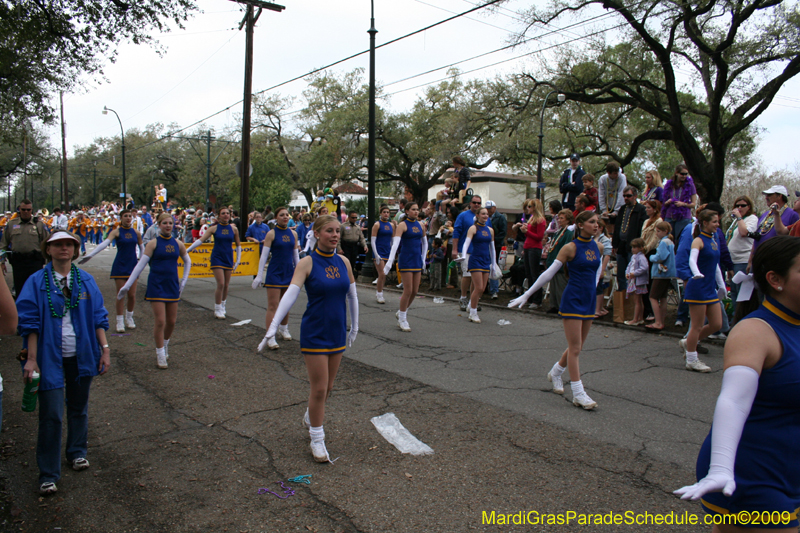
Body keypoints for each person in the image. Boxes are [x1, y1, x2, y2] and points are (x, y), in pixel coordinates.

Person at [674, 236, 800, 530]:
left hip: (790, 469)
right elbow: (734, 399)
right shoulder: (756, 331)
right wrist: (720, 467)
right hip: (750, 472)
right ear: (775, 279)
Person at [16, 230, 110, 496]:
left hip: (81, 355)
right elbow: (29, 323)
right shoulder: (36, 282)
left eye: (69, 244)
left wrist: (104, 350)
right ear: (48, 249)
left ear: (76, 250)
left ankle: (77, 452)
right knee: (51, 415)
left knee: (79, 408)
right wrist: (32, 359)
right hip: (48, 358)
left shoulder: (86, 281)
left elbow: (98, 318)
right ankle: (48, 473)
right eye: (57, 244)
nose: (64, 248)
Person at [261, 215, 358, 462]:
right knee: (319, 389)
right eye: (329, 231)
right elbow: (289, 297)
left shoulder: (344, 261)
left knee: (329, 387)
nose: (335, 235)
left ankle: (310, 416)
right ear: (316, 233)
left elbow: (352, 296)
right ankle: (317, 439)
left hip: (337, 331)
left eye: (337, 231)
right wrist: (272, 327)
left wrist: (355, 326)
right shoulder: (306, 262)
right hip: (315, 331)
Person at [510, 211, 604, 410]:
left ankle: (556, 372)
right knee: (576, 348)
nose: (596, 225)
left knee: (576, 346)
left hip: (588, 300)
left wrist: (593, 291)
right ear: (580, 224)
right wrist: (526, 295)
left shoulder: (598, 247)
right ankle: (579, 393)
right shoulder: (569, 248)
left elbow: (596, 273)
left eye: (597, 222)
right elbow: (548, 274)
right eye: (591, 222)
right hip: (572, 299)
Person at [118, 213, 191, 369]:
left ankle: (165, 345)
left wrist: (184, 280)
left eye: (170, 223)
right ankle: (159, 353)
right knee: (160, 321)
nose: (168, 225)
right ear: (158, 225)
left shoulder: (178, 243)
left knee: (171, 322)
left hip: (172, 285)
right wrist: (128, 284)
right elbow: (140, 265)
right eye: (164, 223)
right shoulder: (153, 243)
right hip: (156, 285)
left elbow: (187, 261)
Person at [78, 209, 144, 333]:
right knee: (120, 294)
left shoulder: (136, 232)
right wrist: (91, 255)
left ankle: (129, 318)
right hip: (120, 265)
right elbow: (104, 244)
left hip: (133, 265)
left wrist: (143, 261)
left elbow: (142, 248)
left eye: (130, 216)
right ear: (121, 218)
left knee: (132, 295)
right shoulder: (116, 232)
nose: (128, 218)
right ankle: (119, 320)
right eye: (125, 216)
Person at [680, 209, 726, 372]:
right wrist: (696, 273)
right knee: (697, 326)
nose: (717, 224)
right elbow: (692, 260)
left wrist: (721, 285)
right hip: (697, 287)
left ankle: (688, 342)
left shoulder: (713, 240)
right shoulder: (698, 240)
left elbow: (716, 266)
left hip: (709, 288)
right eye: (714, 221)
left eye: (717, 221)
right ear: (705, 223)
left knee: (716, 324)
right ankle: (692, 359)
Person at [253, 207, 300, 350]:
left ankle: (284, 328)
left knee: (286, 304)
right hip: (275, 272)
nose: (285, 217)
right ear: (277, 218)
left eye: (287, 215)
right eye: (282, 215)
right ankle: (270, 335)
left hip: (289, 272)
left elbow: (296, 256)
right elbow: (264, 256)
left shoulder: (293, 234)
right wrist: (259, 275)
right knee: (273, 305)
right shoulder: (271, 234)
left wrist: (299, 274)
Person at [186, 207, 241, 319]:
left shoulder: (234, 229)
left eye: (227, 213)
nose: (226, 215)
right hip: (217, 258)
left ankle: (223, 306)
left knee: (226, 285)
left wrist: (238, 260)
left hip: (228, 258)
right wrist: (186, 250)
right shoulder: (213, 228)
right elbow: (200, 241)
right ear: (219, 216)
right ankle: (217, 308)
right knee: (220, 283)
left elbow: (238, 245)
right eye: (223, 213)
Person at [384, 202, 427, 332]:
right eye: (413, 209)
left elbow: (425, 243)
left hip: (416, 260)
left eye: (417, 210)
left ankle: (402, 311)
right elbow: (395, 244)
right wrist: (390, 261)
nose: (416, 212)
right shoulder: (402, 225)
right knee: (407, 290)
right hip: (406, 260)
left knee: (415, 291)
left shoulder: (421, 225)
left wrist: (423, 259)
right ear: (407, 211)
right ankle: (402, 318)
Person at [459, 208, 501, 323]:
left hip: (486, 261)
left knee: (481, 289)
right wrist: (463, 256)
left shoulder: (490, 230)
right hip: (475, 260)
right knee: (479, 287)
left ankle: (470, 305)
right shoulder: (473, 228)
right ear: (477, 215)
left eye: (487, 214)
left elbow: (492, 248)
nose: (485, 216)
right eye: (483, 214)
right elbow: (466, 243)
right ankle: (473, 313)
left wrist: (493, 263)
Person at [0, 200, 49, 297]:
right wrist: (1, 262)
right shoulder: (11, 224)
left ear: (31, 210)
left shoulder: (39, 225)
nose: (26, 212)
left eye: (28, 210)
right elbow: (3, 245)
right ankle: (21, 311)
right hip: (18, 262)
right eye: (23, 209)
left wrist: (50, 262)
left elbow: (47, 243)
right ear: (19, 210)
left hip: (35, 261)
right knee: (20, 290)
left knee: (36, 290)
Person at [452, 195, 491, 312]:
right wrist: (455, 249)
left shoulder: (486, 218)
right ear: (470, 203)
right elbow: (456, 232)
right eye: (474, 202)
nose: (477, 205)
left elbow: (488, 235)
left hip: (479, 252)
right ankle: (463, 297)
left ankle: (473, 301)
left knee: (476, 279)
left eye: (479, 203)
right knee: (467, 275)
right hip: (466, 251)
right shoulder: (463, 216)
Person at [612, 186, 647, 292]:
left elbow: (641, 228)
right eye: (624, 196)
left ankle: (632, 296)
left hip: (633, 246)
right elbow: (617, 226)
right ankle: (623, 298)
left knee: (632, 272)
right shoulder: (622, 209)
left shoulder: (641, 209)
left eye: (629, 196)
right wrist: (615, 244)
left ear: (635, 196)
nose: (626, 198)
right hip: (621, 245)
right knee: (621, 273)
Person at [726, 196, 758, 311]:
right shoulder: (736, 221)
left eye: (743, 205)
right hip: (732, 261)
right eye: (737, 205)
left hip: (743, 261)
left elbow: (744, 232)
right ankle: (735, 319)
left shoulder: (751, 219)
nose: (739, 208)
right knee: (733, 292)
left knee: (742, 295)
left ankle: (742, 319)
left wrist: (739, 218)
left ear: (749, 207)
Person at [516, 199, 546, 309]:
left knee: (534, 274)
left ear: (535, 207)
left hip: (534, 248)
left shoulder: (540, 220)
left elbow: (539, 237)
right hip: (528, 247)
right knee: (529, 274)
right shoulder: (532, 219)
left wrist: (526, 232)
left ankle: (537, 300)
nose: (528, 208)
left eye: (530, 206)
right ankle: (531, 297)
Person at [647, 221, 676, 331]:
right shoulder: (670, 242)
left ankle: (658, 322)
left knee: (653, 297)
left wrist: (651, 257)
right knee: (663, 298)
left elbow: (661, 256)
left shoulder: (663, 242)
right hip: (668, 273)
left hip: (661, 273)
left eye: (658, 231)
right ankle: (661, 320)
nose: (657, 233)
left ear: (665, 231)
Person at [545, 209, 574, 313]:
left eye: (562, 218)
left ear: (568, 220)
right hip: (553, 262)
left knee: (561, 286)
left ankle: (562, 306)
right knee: (553, 286)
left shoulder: (569, 233)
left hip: (561, 265)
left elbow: (567, 247)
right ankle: (554, 305)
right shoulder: (559, 232)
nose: (559, 220)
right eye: (559, 218)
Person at [661, 164, 698, 242]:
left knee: (681, 239)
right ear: (676, 173)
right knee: (668, 239)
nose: (684, 176)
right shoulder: (669, 184)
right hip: (669, 215)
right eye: (682, 174)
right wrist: (667, 202)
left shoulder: (690, 185)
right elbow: (663, 203)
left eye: (686, 174)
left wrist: (683, 204)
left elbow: (694, 204)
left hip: (683, 217)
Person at [371, 206, 395, 304]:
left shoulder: (391, 225)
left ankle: (380, 292)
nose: (386, 214)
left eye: (388, 212)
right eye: (384, 212)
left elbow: (393, 240)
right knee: (382, 273)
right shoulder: (377, 225)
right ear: (380, 213)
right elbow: (373, 240)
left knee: (384, 275)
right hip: (379, 251)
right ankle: (379, 294)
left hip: (388, 252)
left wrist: (393, 254)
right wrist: (376, 254)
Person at [624, 238, 649, 326]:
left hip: (638, 281)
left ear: (640, 248)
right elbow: (629, 266)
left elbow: (644, 267)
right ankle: (640, 318)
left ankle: (635, 319)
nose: (632, 249)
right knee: (639, 300)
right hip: (635, 279)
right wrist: (627, 273)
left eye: (635, 247)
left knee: (637, 301)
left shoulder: (641, 257)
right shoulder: (634, 257)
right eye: (632, 247)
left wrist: (634, 273)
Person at [598, 162, 628, 230]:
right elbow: (601, 195)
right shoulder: (602, 179)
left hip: (618, 207)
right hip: (608, 206)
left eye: (617, 173)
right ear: (609, 173)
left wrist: (616, 211)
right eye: (615, 173)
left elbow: (621, 194)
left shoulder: (622, 177)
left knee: (617, 227)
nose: (617, 175)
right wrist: (604, 210)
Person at [486, 200, 507, 299]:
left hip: (496, 245)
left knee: (493, 265)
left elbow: (503, 232)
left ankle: (494, 289)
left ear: (494, 208)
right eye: (487, 209)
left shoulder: (500, 217)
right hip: (487, 244)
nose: (488, 211)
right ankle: (486, 288)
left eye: (490, 208)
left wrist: (494, 240)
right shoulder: (485, 218)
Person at [338, 211, 368, 278]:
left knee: (353, 262)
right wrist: (339, 248)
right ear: (349, 218)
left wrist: (365, 246)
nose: (354, 219)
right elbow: (338, 238)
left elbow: (362, 238)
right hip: (346, 246)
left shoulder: (357, 227)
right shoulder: (343, 226)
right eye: (353, 217)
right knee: (346, 262)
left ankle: (350, 277)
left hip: (354, 246)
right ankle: (345, 277)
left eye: (355, 218)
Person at [594, 219, 612, 317]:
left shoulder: (605, 239)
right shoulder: (592, 238)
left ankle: (598, 310)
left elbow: (607, 255)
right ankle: (599, 308)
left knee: (599, 289)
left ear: (601, 228)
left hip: (600, 267)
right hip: (593, 267)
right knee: (595, 288)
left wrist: (602, 269)